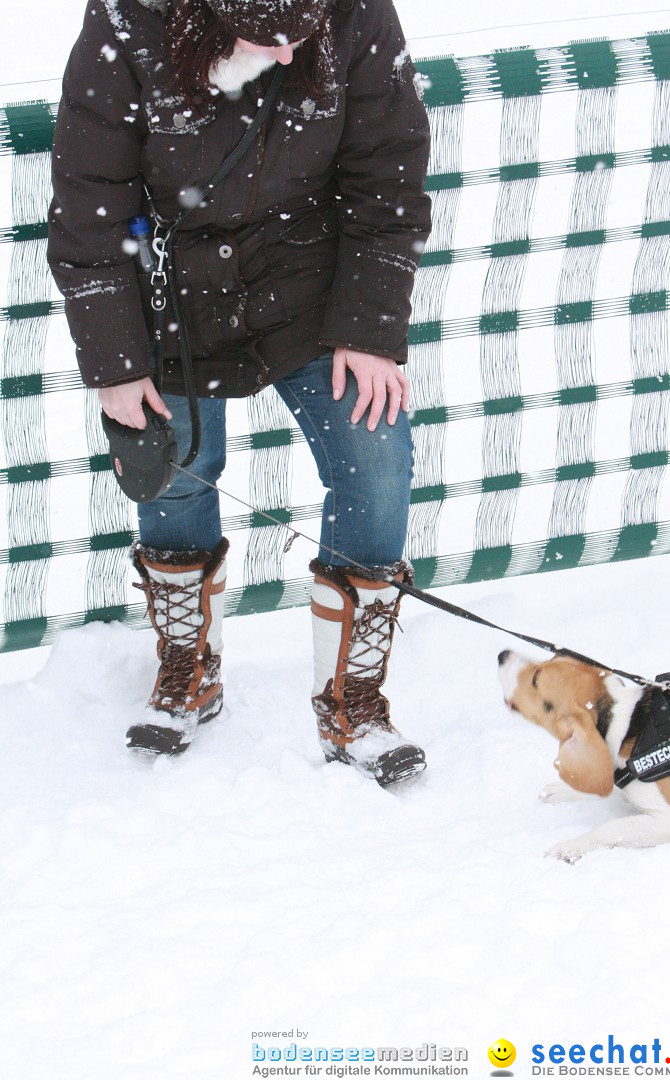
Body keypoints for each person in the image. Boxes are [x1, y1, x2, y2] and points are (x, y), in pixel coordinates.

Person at [48, 0, 432, 785]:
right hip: (171, 300)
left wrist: (368, 327)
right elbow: (91, 207)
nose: (290, 58)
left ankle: (351, 694)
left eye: (302, 38)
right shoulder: (128, 22)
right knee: (175, 476)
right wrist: (119, 363)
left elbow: (387, 172)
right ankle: (190, 662)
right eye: (270, 40)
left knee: (378, 459)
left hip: (315, 294)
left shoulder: (354, 11)